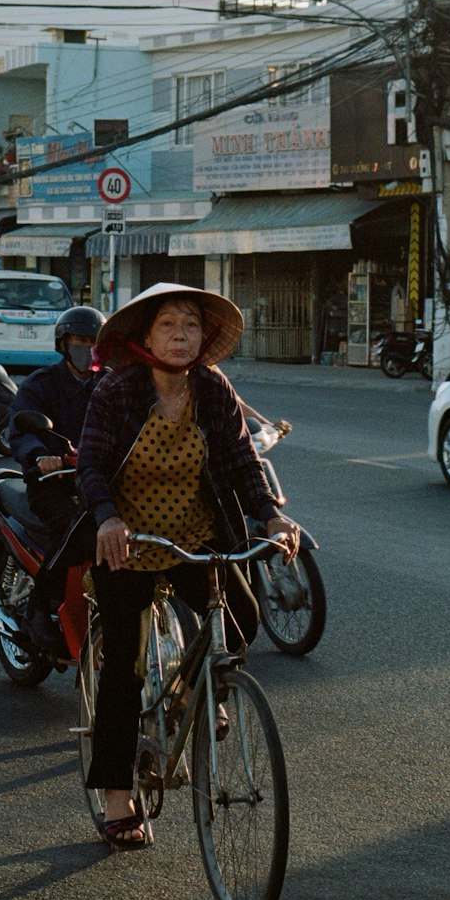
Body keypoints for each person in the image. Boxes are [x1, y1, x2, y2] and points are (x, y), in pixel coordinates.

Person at [76, 283, 300, 848]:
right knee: (123, 664)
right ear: (147, 337)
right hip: (127, 543)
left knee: (242, 618)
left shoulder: (213, 388)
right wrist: (106, 518)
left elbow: (241, 459)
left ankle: (195, 697)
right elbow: (93, 466)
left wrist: (271, 517)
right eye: (169, 326)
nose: (181, 336)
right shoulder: (118, 391)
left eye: (191, 326)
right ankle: (116, 795)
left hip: (196, 537)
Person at [8, 305, 105, 650]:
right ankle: (38, 606)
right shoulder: (40, 385)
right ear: (63, 343)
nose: (86, 348)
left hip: (100, 481)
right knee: (76, 528)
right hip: (54, 482)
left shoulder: (111, 383)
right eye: (79, 340)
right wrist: (39, 456)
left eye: (93, 342)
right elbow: (20, 430)